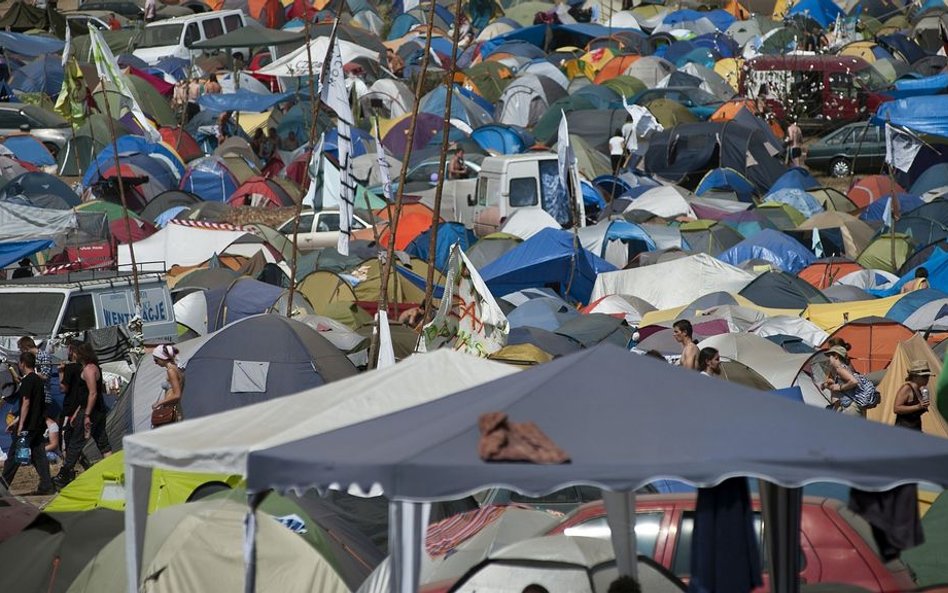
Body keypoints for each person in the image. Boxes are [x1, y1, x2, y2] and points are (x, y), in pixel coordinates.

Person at [53, 343, 112, 489]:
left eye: (76, 352)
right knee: (102, 442)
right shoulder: (89, 368)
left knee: (76, 443)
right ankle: (111, 472)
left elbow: (92, 393)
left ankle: (65, 474)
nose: (73, 355)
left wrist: (86, 415)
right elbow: (84, 395)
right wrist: (76, 413)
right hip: (87, 409)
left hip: (91, 411)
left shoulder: (89, 369)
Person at [2, 352, 55, 495]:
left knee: (13, 458)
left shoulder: (27, 381)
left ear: (23, 364)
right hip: (37, 424)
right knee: (39, 456)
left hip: (27, 427)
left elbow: (26, 404)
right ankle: (46, 485)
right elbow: (35, 406)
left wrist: (20, 425)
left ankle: (2, 489)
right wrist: (16, 421)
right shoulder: (38, 381)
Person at [822, 345, 863, 416]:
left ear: (836, 356)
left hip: (851, 408)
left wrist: (840, 387)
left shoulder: (840, 369)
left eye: (830, 356)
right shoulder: (842, 368)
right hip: (852, 406)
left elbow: (854, 381)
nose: (829, 359)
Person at [893, 360, 932, 432]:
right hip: (903, 430)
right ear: (915, 376)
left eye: (928, 376)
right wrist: (918, 407)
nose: (927, 378)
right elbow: (896, 408)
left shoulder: (920, 390)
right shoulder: (907, 388)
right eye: (924, 376)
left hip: (915, 429)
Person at [152, 344, 184, 417]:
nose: (155, 363)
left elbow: (177, 394)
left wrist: (159, 403)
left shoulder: (171, 371)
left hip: (172, 410)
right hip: (174, 408)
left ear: (162, 358)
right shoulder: (176, 368)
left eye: (156, 360)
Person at [19, 336, 52, 405]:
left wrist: (31, 375)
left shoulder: (44, 355)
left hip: (43, 396)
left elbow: (45, 376)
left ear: (26, 348)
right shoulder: (29, 358)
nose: (21, 352)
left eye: (21, 349)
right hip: (31, 395)